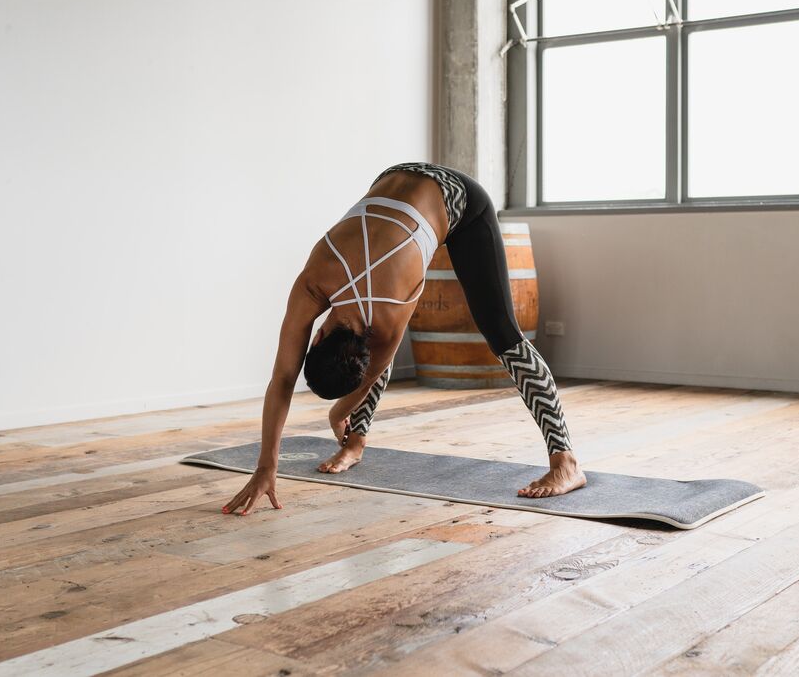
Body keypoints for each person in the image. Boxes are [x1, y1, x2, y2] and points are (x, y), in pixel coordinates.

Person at [222, 163, 585, 516]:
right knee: (383, 345)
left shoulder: (390, 307)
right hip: (397, 177)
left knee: (504, 334)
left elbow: (350, 373)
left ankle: (566, 461)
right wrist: (266, 467)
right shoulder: (314, 282)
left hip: (461, 200)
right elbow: (288, 378)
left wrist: (338, 412)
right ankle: (356, 444)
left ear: (315, 337)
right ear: (317, 339)